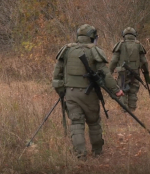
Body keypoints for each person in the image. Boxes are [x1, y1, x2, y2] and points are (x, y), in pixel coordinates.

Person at [52, 24, 124, 161]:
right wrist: (116, 90)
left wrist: (62, 92)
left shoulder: (67, 50)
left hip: (71, 93)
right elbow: (106, 74)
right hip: (89, 94)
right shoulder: (94, 51)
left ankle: (80, 155)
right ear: (92, 37)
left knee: (76, 123)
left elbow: (56, 77)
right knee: (94, 122)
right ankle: (97, 152)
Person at [109, 27, 150, 112]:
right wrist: (146, 73)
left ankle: (124, 111)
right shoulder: (138, 45)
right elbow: (144, 61)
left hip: (122, 72)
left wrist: (109, 72)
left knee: (122, 89)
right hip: (135, 71)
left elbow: (114, 60)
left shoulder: (120, 44)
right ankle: (132, 110)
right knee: (133, 90)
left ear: (124, 35)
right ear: (134, 34)